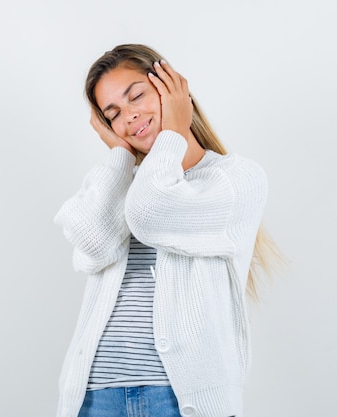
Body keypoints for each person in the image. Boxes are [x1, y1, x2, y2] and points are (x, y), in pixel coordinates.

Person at [54, 44, 283, 417]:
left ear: (172, 88)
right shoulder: (121, 182)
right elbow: (92, 245)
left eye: (137, 96)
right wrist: (120, 156)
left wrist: (174, 131)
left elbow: (150, 214)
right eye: (113, 114)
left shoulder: (237, 180)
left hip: (178, 399)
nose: (130, 116)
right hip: (94, 397)